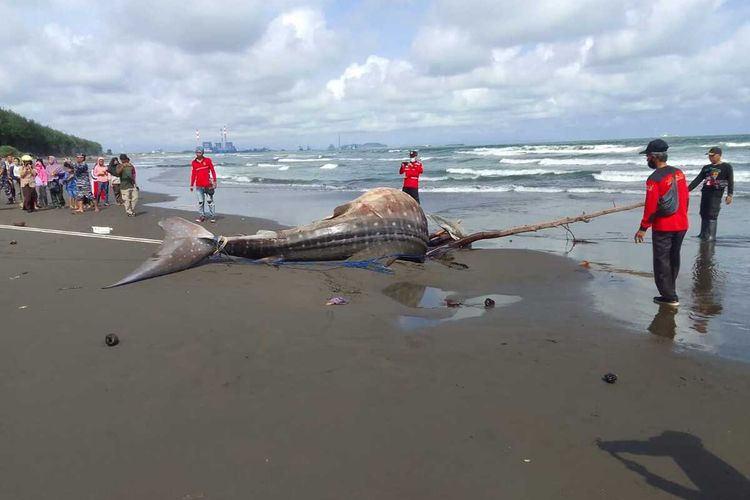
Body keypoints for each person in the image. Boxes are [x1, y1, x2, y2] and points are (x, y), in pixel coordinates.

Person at [634, 139, 689, 307]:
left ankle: (669, 296)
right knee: (673, 258)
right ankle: (670, 291)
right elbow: (685, 197)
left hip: (664, 227)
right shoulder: (678, 173)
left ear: (653, 157)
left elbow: (650, 207)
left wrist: (643, 228)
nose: (646, 160)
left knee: (661, 261)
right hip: (682, 224)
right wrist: (682, 215)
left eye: (647, 157)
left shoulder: (654, 179)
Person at [688, 146, 733, 241]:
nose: (710, 158)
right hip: (705, 192)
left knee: (712, 213)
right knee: (703, 212)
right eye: (709, 156)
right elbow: (698, 180)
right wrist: (686, 190)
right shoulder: (706, 168)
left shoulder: (726, 167)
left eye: (712, 156)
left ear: (719, 155)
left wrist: (730, 195)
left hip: (716, 193)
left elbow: (730, 181)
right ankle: (703, 234)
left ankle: (711, 235)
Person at [190, 147, 217, 222]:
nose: (198, 154)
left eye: (200, 152)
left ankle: (212, 216)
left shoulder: (208, 160)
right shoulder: (194, 162)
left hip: (208, 185)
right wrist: (191, 184)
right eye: (197, 152)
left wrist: (214, 181)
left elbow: (213, 171)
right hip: (199, 186)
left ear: (202, 153)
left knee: (210, 201)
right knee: (201, 202)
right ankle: (202, 216)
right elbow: (193, 174)